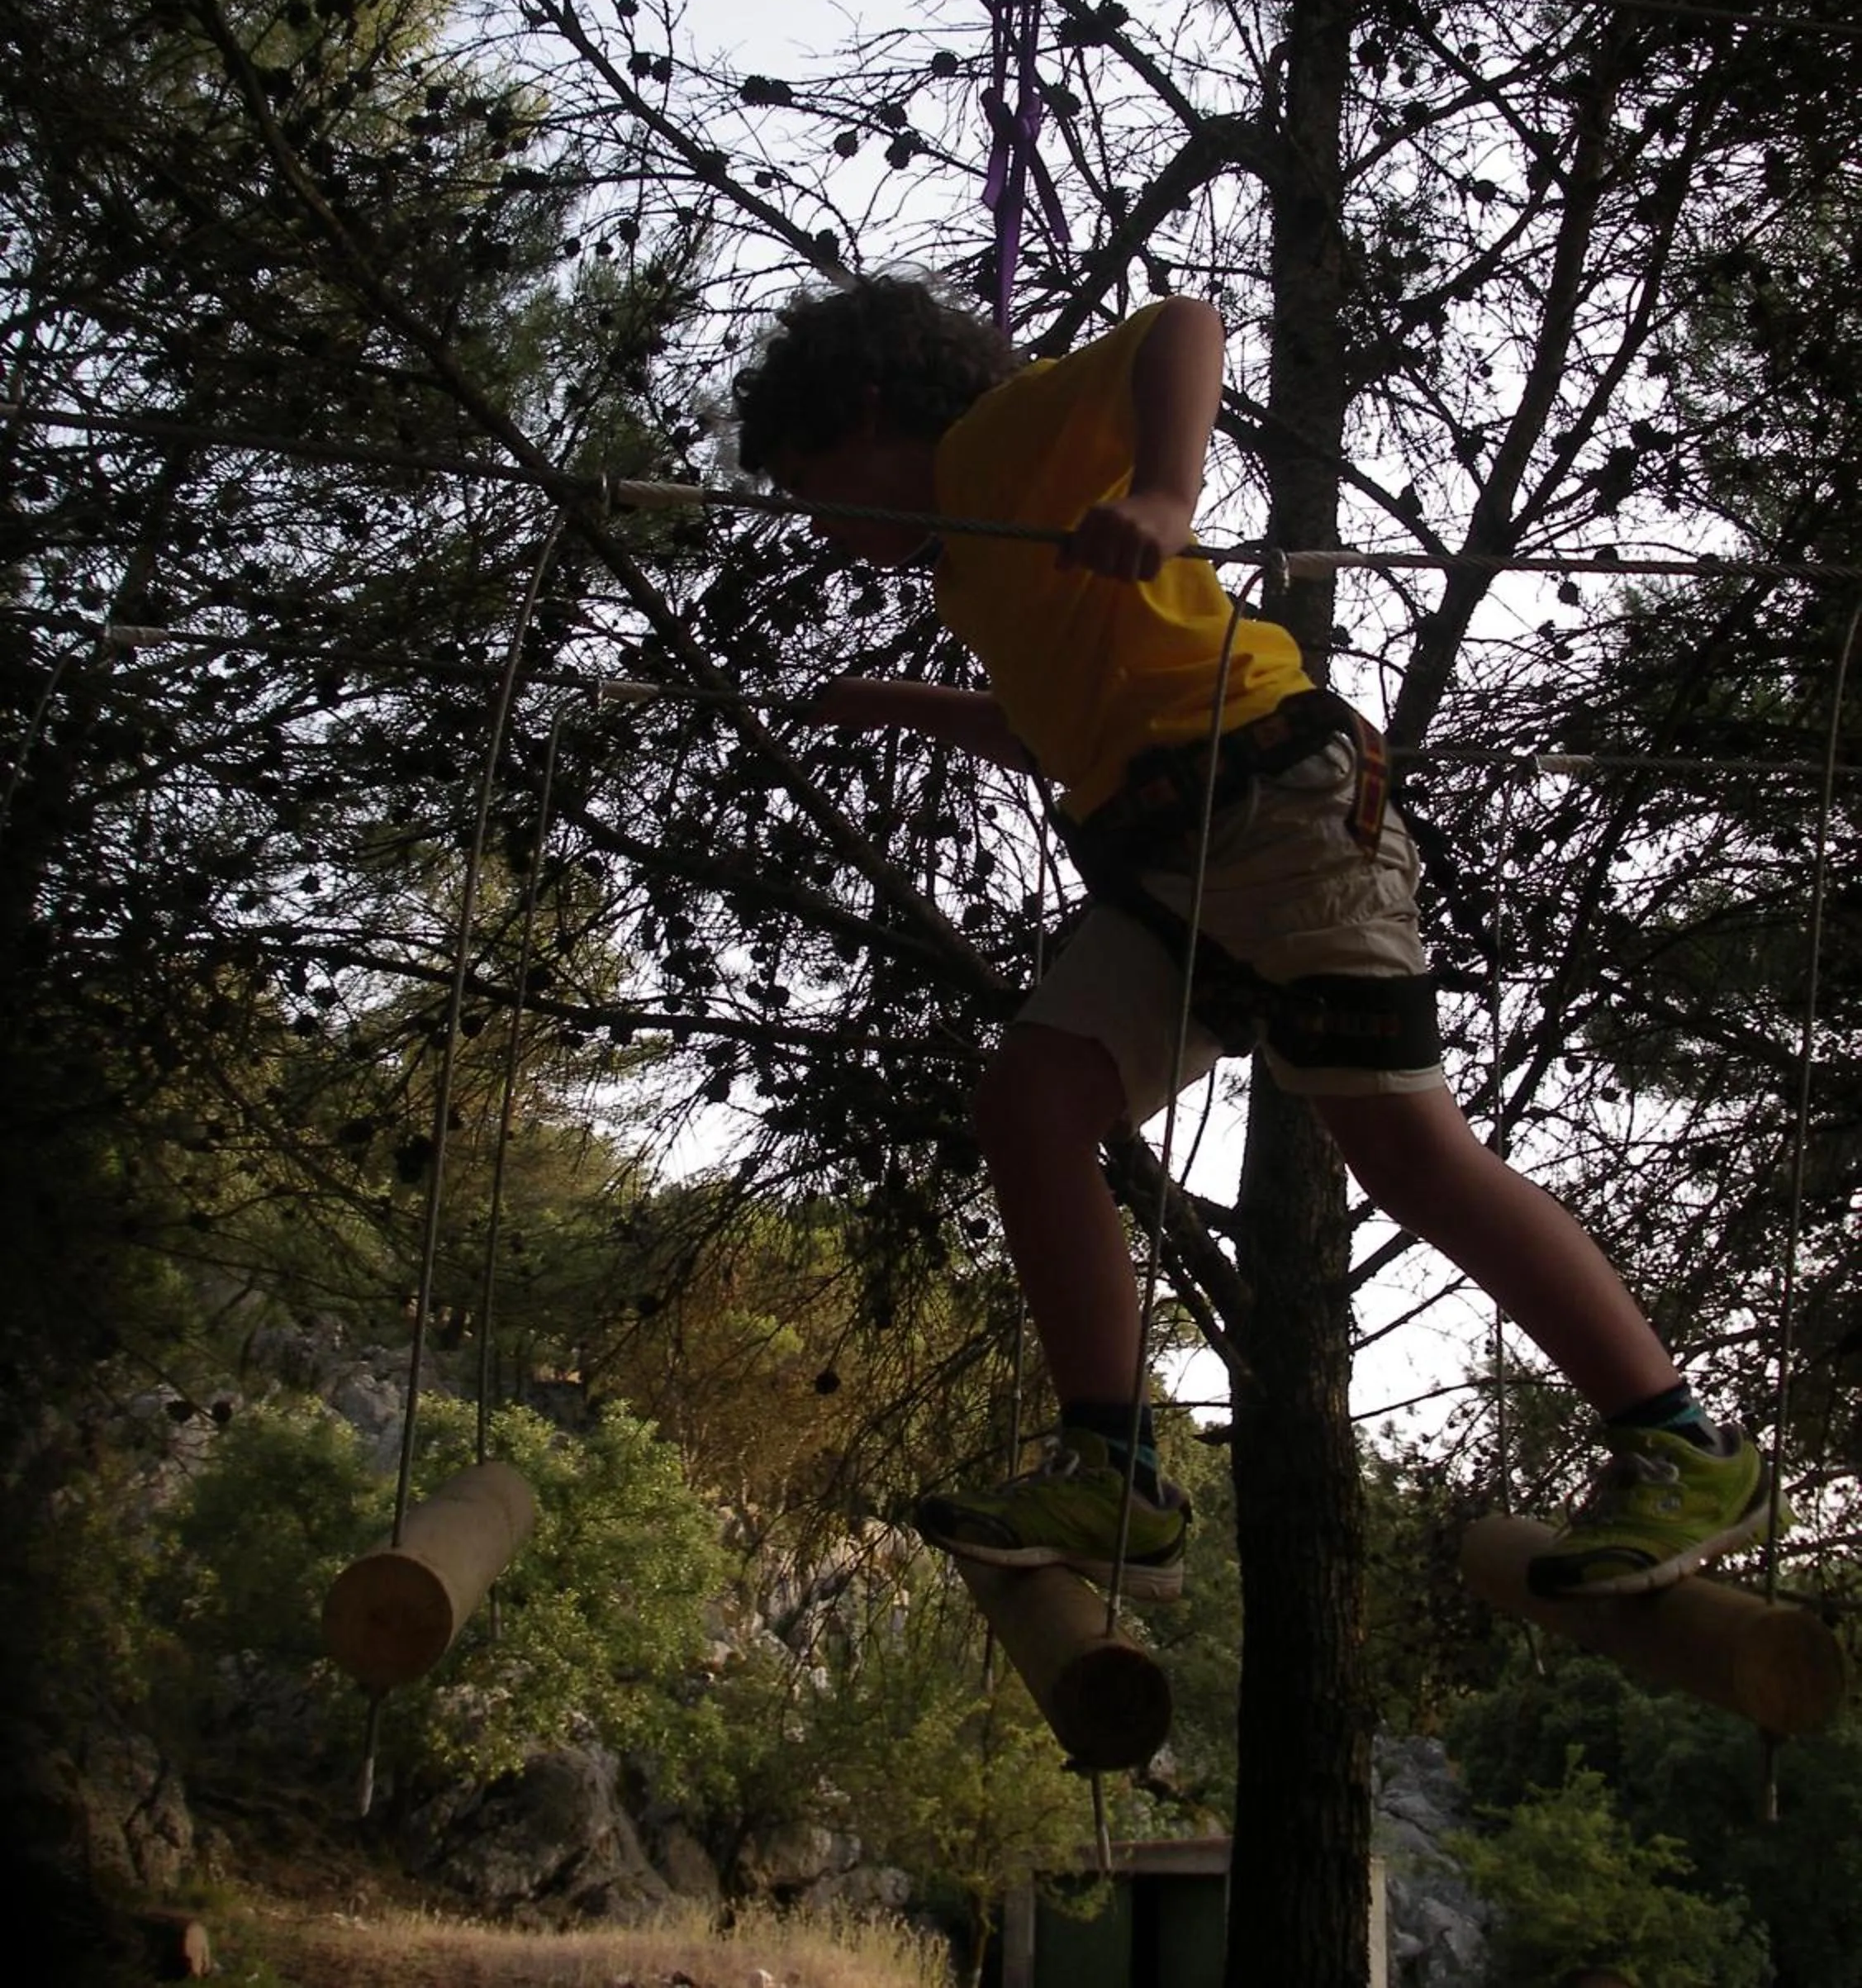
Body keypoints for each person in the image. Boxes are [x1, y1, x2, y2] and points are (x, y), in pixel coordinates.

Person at [730, 273, 1774, 1603]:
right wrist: (901, 704)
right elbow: (1060, 735)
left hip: (1276, 810)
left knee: (1405, 1149)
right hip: (1167, 867)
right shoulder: (975, 565)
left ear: (868, 411)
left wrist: (1166, 496)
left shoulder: (996, 446)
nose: (820, 528)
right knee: (1031, 1107)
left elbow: (1182, 324)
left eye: (813, 485)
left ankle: (1680, 1443)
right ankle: (1111, 1471)